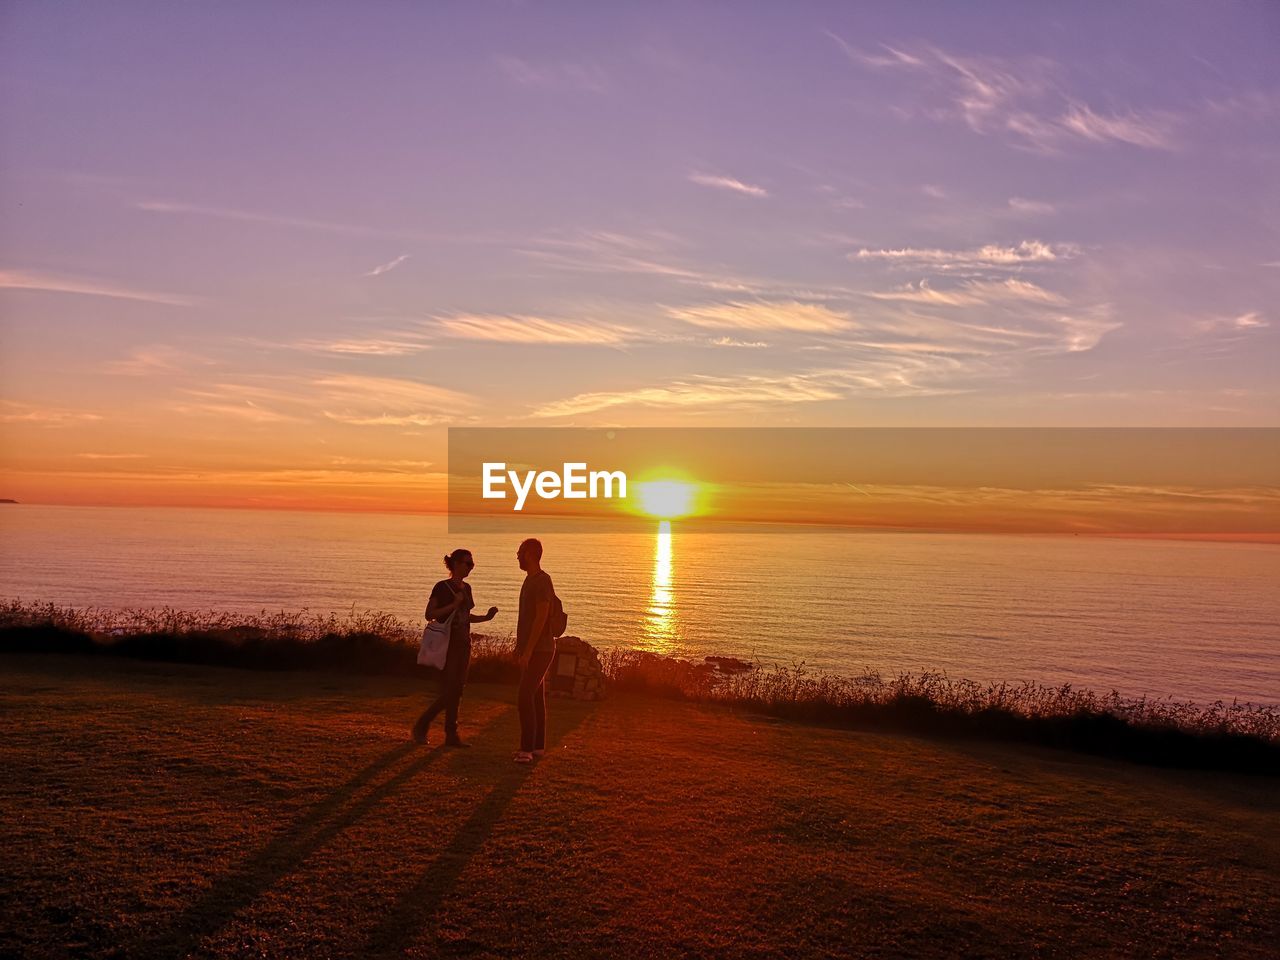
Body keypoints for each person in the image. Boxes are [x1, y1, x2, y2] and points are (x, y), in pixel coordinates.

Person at [412, 548, 497, 747]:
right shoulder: (442, 587)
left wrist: (486, 617)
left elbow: (465, 617)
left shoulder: (467, 588)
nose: (471, 567)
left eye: (472, 564)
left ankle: (451, 735)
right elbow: (430, 613)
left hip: (464, 645)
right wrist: (453, 604)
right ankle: (423, 725)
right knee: (451, 690)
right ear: (456, 564)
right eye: (468, 563)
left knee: (457, 690)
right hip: (447, 645)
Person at [514, 537, 557, 763]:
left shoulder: (542, 581)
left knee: (524, 696)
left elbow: (541, 617)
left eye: (520, 551)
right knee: (536, 698)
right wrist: (521, 647)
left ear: (529, 554)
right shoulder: (529, 580)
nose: (517, 556)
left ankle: (526, 750)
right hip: (532, 649)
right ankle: (538, 747)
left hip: (541, 650)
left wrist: (529, 650)